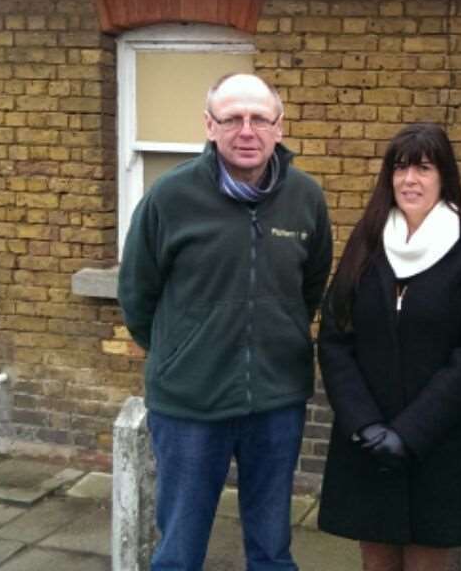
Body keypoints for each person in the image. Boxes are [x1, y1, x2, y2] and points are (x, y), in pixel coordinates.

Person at [118, 73, 333, 571]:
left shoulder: (305, 198)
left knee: (272, 548)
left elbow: (311, 286)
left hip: (276, 401)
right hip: (190, 404)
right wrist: (185, 350)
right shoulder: (169, 198)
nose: (246, 130)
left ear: (279, 127)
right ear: (209, 126)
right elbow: (137, 296)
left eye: (260, 118)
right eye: (232, 118)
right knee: (179, 551)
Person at [317, 123, 461, 571]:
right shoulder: (366, 242)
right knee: (376, 563)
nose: (410, 180)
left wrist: (409, 433)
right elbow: (334, 337)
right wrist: (364, 425)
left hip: (435, 445)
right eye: (400, 169)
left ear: (445, 176)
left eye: (423, 168)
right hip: (368, 441)